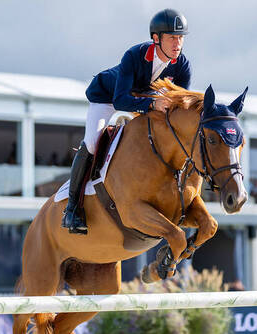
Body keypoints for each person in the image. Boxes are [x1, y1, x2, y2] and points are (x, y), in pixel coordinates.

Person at [62, 8, 192, 234]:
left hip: (144, 101)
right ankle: (72, 209)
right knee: (93, 143)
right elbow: (121, 100)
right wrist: (152, 105)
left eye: (180, 37)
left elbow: (177, 108)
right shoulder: (134, 55)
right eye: (172, 37)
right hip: (108, 98)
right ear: (156, 38)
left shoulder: (182, 65)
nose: (177, 43)